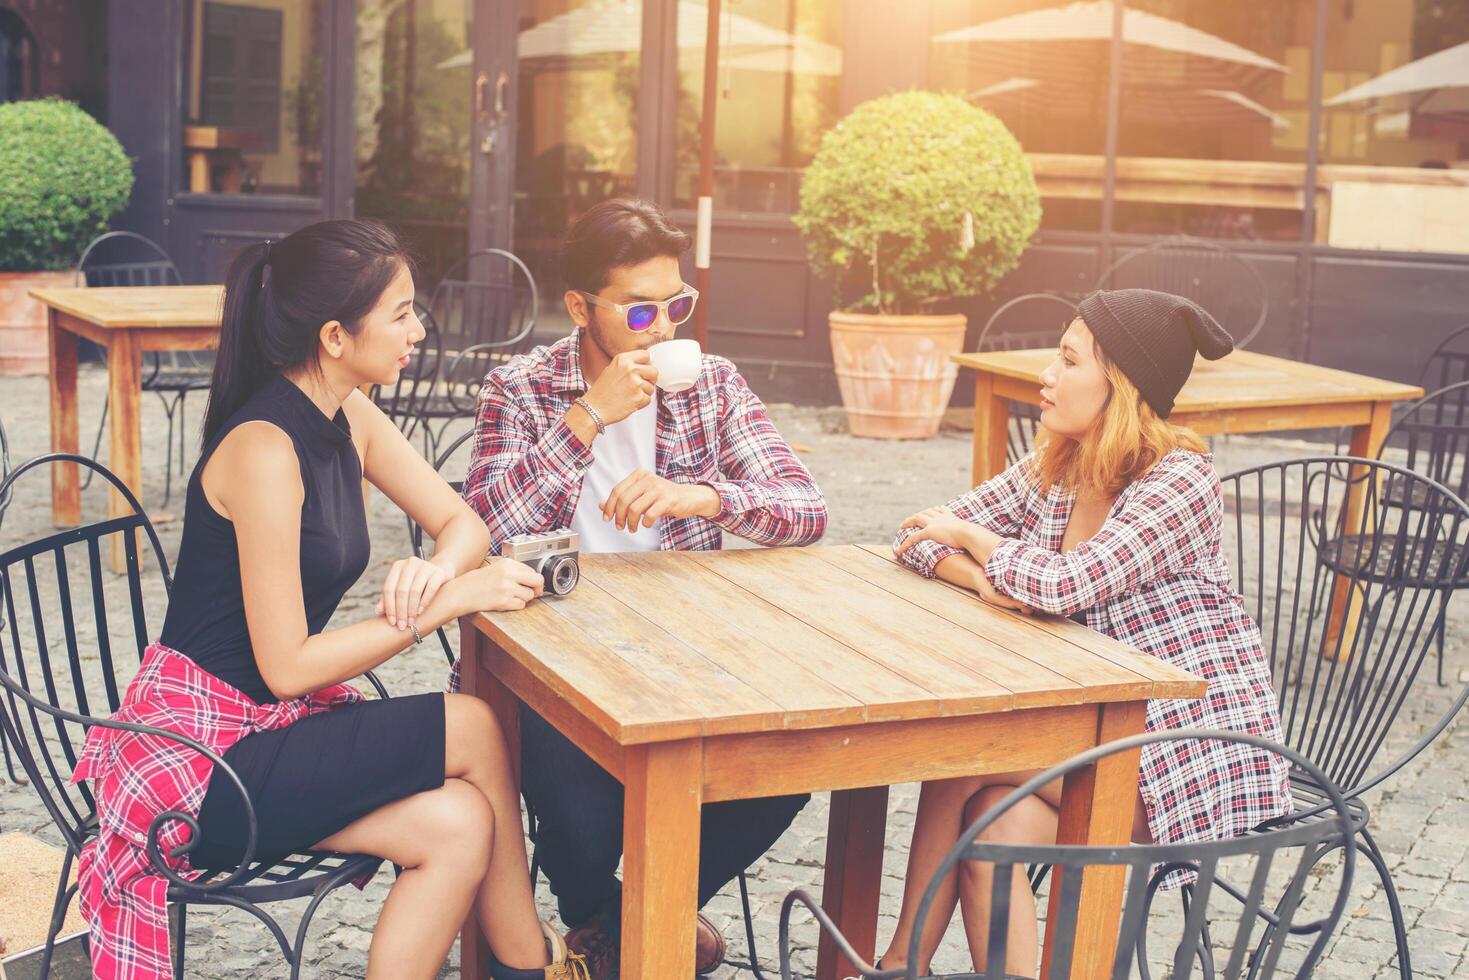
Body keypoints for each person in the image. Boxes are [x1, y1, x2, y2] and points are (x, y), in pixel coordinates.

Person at [72, 220, 581, 980]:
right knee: (472, 721)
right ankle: (534, 963)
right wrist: (439, 608)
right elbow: (287, 666)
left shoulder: (350, 416)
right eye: (401, 312)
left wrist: (435, 571)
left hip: (267, 731)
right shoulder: (265, 450)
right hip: (202, 759)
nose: (418, 329)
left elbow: (462, 520)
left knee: (459, 822)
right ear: (336, 335)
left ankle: (525, 965)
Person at [454, 198, 827, 977]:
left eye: (676, 304)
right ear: (580, 308)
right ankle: (624, 923)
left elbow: (806, 507)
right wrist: (587, 418)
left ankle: (617, 927)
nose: (662, 327)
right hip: (548, 646)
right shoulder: (520, 388)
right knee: (572, 794)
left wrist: (708, 495)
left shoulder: (711, 385)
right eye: (640, 308)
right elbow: (482, 523)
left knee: (797, 754)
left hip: (681, 647)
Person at [881, 289, 1293, 977]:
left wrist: (974, 540)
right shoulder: (1059, 464)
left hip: (1182, 755)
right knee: (992, 826)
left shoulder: (1178, 479)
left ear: (1121, 385)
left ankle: (898, 964)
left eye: (1067, 360)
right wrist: (979, 578)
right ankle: (904, 967)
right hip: (1096, 737)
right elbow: (918, 533)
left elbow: (1065, 583)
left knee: (962, 756)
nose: (1046, 374)